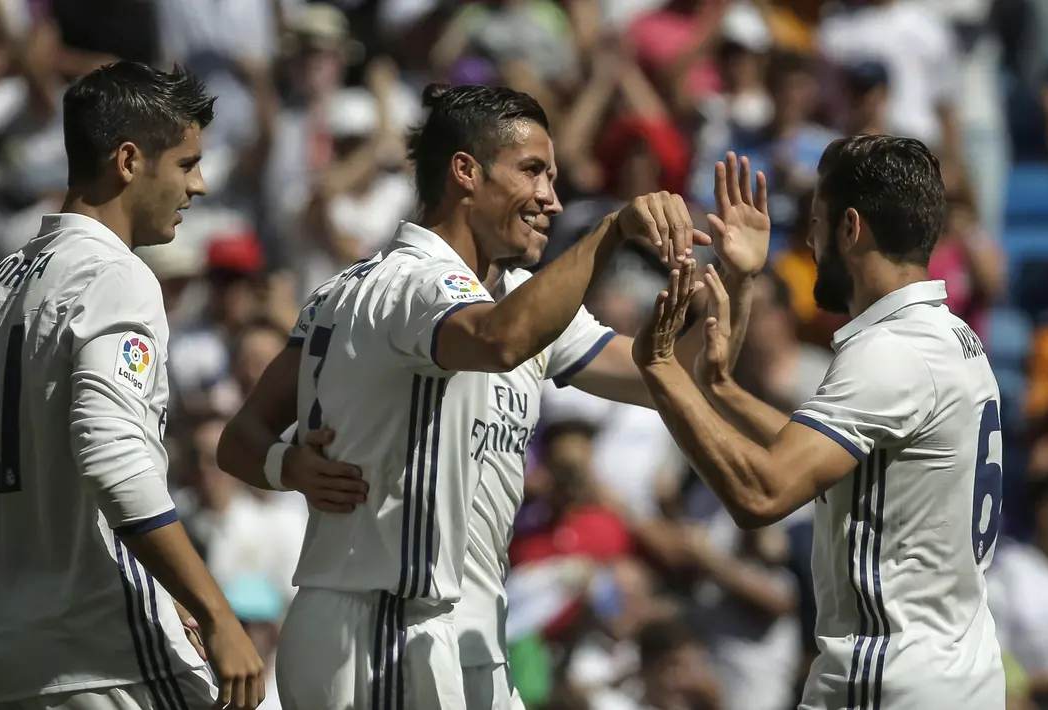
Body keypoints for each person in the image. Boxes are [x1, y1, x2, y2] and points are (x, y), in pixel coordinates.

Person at [214, 83, 705, 710]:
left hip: (465, 626)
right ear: (466, 172)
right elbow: (498, 342)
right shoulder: (412, 282)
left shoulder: (515, 295)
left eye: (553, 177)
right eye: (533, 172)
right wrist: (608, 232)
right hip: (383, 623)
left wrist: (732, 295)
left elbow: (657, 380)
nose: (552, 199)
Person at [0, 61, 265, 710]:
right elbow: (114, 460)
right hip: (110, 658)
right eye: (187, 163)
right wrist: (218, 614)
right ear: (129, 160)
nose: (199, 185)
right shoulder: (114, 276)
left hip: (6, 670)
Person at [631, 134, 1006, 709]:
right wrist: (720, 387)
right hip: (960, 675)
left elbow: (762, 494)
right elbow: (820, 455)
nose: (807, 240)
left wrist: (661, 368)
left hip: (886, 680)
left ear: (849, 228)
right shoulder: (953, 338)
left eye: (816, 222)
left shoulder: (890, 352)